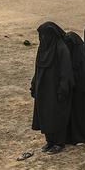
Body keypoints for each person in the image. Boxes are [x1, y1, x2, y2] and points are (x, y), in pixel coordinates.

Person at [31, 22, 74, 154]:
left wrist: (63, 89)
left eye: (44, 35)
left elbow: (66, 72)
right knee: (45, 115)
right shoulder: (43, 48)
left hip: (56, 90)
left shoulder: (61, 49)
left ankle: (59, 143)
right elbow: (37, 68)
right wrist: (33, 85)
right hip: (43, 89)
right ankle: (50, 141)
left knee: (57, 116)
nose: (41, 38)